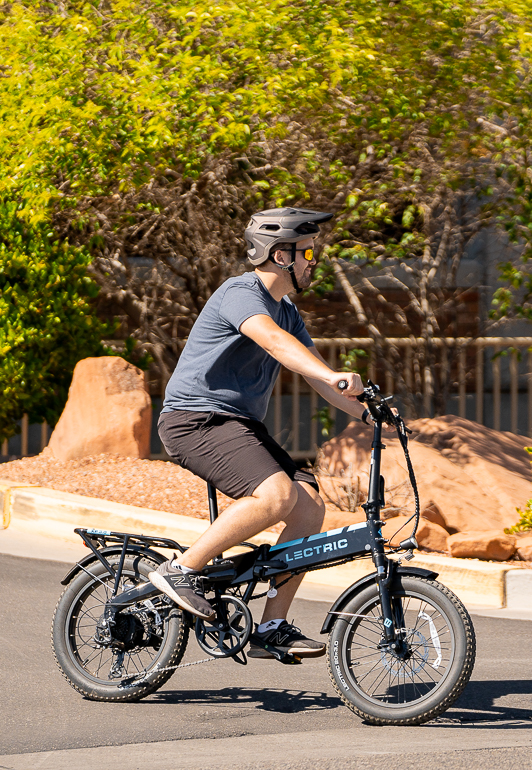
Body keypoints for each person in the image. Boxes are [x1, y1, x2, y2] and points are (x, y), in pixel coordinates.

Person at [149, 207, 370, 661]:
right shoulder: (240, 293)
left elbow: (315, 374)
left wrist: (371, 415)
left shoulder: (287, 311)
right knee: (275, 496)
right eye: (308, 252)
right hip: (194, 419)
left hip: (237, 423)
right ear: (280, 254)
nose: (315, 261)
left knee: (308, 509)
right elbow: (274, 343)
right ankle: (181, 570)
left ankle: (271, 625)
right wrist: (333, 377)